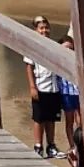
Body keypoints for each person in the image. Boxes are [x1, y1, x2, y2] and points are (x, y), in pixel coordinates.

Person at [24, 15, 64, 158]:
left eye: (46, 27)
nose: (44, 31)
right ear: (36, 30)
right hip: (40, 87)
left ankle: (51, 145)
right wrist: (32, 87)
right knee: (39, 118)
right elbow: (29, 67)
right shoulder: (32, 46)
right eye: (41, 28)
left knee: (51, 118)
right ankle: (38, 145)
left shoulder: (54, 45)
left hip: (54, 87)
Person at [58, 32, 81, 151]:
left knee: (80, 120)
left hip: (77, 92)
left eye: (70, 49)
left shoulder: (76, 60)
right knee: (69, 120)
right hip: (66, 93)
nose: (68, 51)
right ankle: (72, 145)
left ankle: (81, 143)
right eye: (65, 48)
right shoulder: (57, 60)